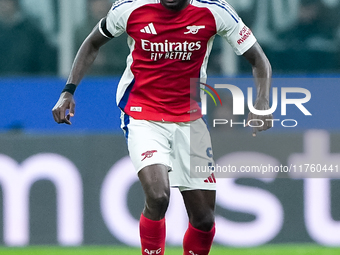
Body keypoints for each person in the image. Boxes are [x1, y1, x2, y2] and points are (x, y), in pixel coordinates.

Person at [52, 0, 272, 254]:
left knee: (204, 219)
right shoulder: (130, 7)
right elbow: (92, 42)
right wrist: (68, 91)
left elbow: (259, 60)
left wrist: (262, 102)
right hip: (142, 115)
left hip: (189, 120)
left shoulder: (215, 11)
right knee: (158, 196)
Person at [0, 0, 57, 75]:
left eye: (6, 1)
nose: (3, 5)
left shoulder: (33, 33)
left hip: (28, 83)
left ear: (15, 3)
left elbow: (45, 65)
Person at [74, 0, 129, 75]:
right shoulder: (82, 31)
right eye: (96, 3)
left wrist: (107, 59)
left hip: (116, 74)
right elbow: (75, 57)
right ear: (89, 6)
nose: (100, 6)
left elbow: (125, 56)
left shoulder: (120, 28)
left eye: (102, 2)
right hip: (89, 77)